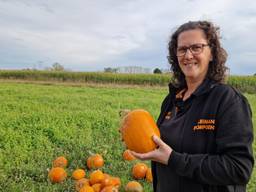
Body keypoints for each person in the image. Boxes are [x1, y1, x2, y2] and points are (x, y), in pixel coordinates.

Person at [131, 21, 254, 192]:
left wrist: (174, 159)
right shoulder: (172, 100)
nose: (188, 55)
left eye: (196, 47)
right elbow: (160, 145)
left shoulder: (227, 100)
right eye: (182, 49)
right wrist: (134, 134)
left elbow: (238, 168)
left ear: (212, 53)